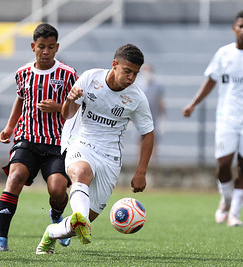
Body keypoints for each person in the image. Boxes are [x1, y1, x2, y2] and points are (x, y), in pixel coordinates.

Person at [36, 43, 155, 255]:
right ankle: (78, 219)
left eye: (135, 74)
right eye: (127, 71)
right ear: (114, 65)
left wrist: (141, 171)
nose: (131, 77)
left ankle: (52, 232)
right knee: (81, 173)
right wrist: (70, 100)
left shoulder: (136, 98)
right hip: (80, 141)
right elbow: (67, 114)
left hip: (110, 157)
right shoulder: (91, 78)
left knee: (82, 222)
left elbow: (148, 133)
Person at [182, 10, 243, 227]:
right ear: (234, 28)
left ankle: (234, 214)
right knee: (223, 165)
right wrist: (193, 104)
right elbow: (210, 81)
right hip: (227, 117)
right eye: (240, 26)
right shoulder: (223, 54)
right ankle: (226, 201)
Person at [0, 23, 78, 253]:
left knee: (57, 189)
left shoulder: (67, 74)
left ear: (57, 47)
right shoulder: (23, 73)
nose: (45, 52)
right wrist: (10, 127)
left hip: (57, 142)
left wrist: (58, 107)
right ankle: (1, 239)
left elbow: (77, 108)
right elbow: (20, 99)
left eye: (50, 47)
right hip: (27, 138)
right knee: (15, 177)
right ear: (33, 47)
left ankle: (57, 218)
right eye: (41, 47)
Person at [136, 63, 165, 162]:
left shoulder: (157, 86)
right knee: (140, 137)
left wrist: (162, 117)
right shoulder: (138, 85)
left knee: (154, 138)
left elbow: (160, 102)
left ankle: (154, 160)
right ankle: (139, 160)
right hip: (140, 115)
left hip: (154, 115)